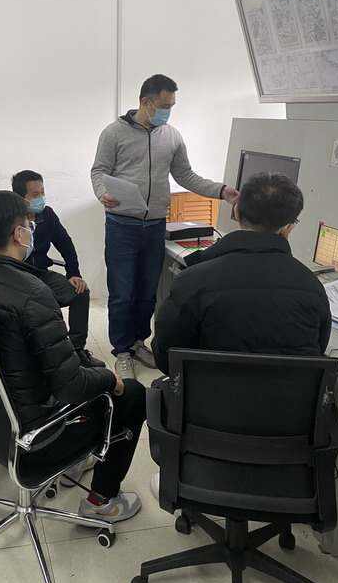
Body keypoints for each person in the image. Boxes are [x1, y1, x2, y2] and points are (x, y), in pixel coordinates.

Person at [0, 191, 147, 522]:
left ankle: (76, 461)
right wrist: (110, 379)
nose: (32, 229)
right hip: (38, 435)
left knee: (92, 375)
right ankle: (101, 501)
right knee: (132, 394)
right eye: (29, 224)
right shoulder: (34, 294)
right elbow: (72, 387)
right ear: (18, 234)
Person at [91, 73, 238, 380]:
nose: (168, 111)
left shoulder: (172, 136)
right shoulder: (113, 133)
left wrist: (221, 190)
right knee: (122, 292)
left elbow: (186, 175)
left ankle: (138, 342)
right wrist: (102, 192)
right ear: (145, 102)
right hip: (122, 225)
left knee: (147, 292)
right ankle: (122, 351)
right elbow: (99, 171)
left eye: (171, 106)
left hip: (156, 225)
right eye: (164, 105)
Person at [152, 173, 331, 373]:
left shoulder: (191, 281)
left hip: (209, 392)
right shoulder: (313, 287)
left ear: (236, 212)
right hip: (288, 393)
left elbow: (166, 358)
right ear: (288, 227)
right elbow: (317, 353)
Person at [11, 169, 104, 368]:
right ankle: (43, 355)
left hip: (41, 274)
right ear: (20, 198)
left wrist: (74, 273)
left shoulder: (47, 215)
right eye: (35, 194)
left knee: (80, 292)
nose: (41, 198)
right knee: (40, 304)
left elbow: (65, 244)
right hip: (18, 279)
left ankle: (77, 350)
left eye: (42, 192)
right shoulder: (9, 220)